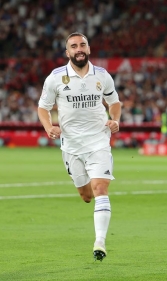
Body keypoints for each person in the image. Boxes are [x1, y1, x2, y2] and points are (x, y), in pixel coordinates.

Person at [37, 32, 121, 261]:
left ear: (89, 48)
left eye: (82, 44)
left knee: (100, 189)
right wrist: (48, 127)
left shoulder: (102, 76)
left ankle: (100, 243)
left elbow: (114, 103)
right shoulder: (55, 78)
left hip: (99, 141)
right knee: (86, 195)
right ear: (67, 52)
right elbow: (43, 108)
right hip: (71, 145)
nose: (79, 48)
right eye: (74, 46)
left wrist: (115, 120)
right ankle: (95, 205)